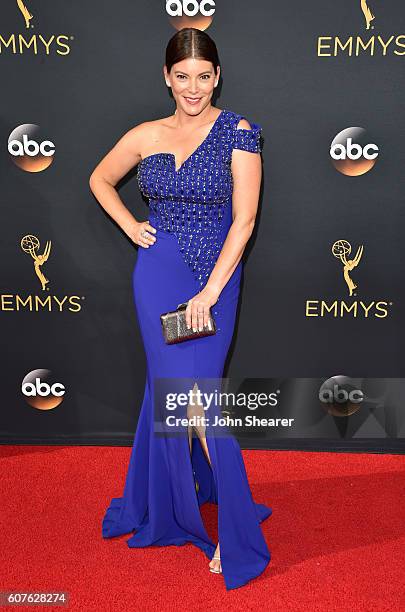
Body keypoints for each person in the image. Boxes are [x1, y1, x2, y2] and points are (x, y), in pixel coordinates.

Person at [89, 26, 272, 590]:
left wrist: (212, 291)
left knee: (198, 403)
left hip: (214, 277)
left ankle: (236, 533)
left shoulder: (239, 133)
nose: (193, 88)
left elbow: (243, 221)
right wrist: (131, 225)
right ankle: (174, 503)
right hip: (159, 273)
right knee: (179, 396)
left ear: (217, 76)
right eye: (183, 77)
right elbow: (99, 178)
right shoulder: (146, 134)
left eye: (204, 76)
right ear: (167, 77)